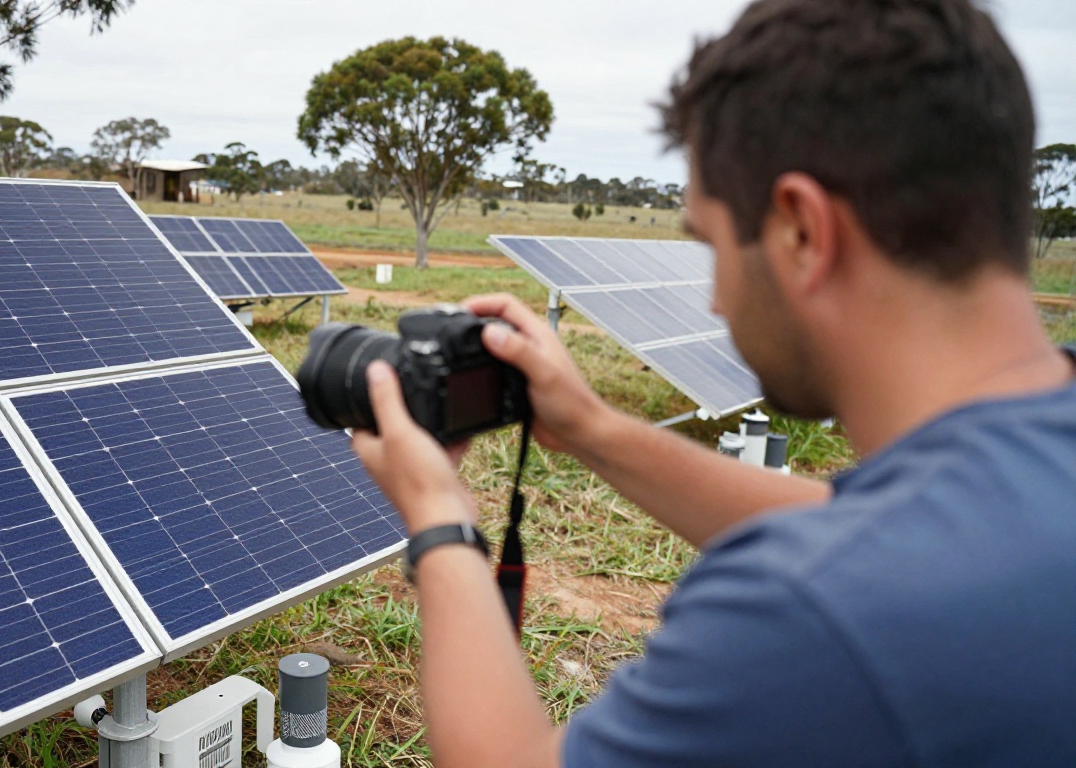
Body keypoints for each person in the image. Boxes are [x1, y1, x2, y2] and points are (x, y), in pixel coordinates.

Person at [349, 0, 1076, 765]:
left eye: (711, 245)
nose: (715, 299)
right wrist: (596, 431)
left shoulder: (808, 616)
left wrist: (439, 517)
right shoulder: (1014, 480)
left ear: (801, 230)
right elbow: (890, 528)